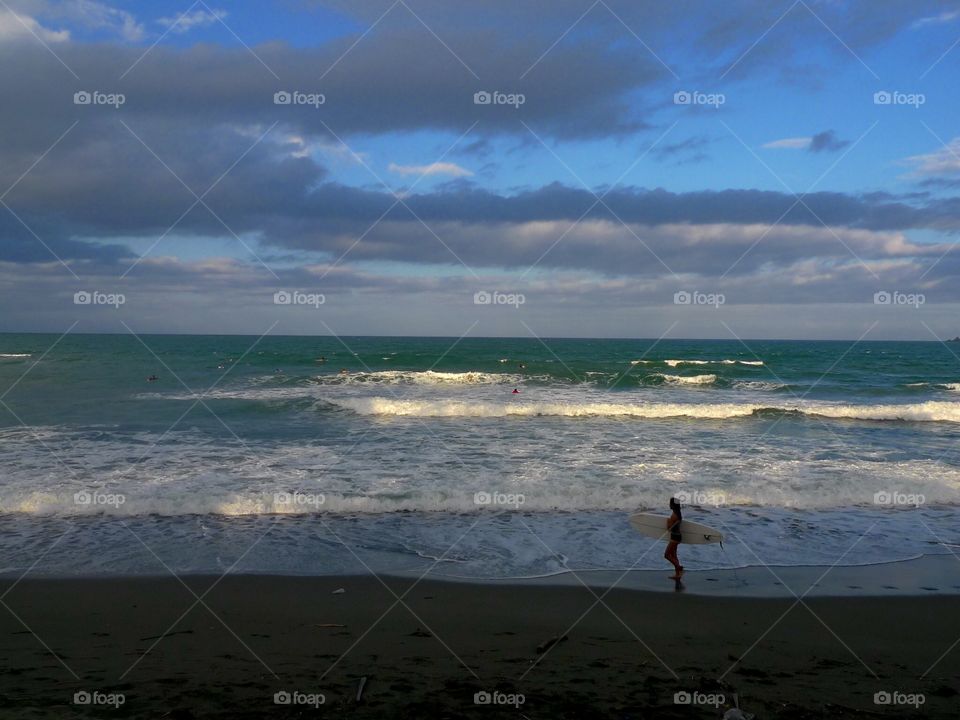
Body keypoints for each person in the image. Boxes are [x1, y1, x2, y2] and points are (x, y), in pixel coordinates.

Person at [664, 497, 684, 579]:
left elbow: (670, 529)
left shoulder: (674, 516)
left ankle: (679, 567)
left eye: (670, 503)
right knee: (674, 555)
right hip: (677, 536)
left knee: (666, 555)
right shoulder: (678, 514)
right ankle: (678, 575)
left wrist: (668, 522)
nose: (669, 505)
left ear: (673, 505)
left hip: (674, 538)